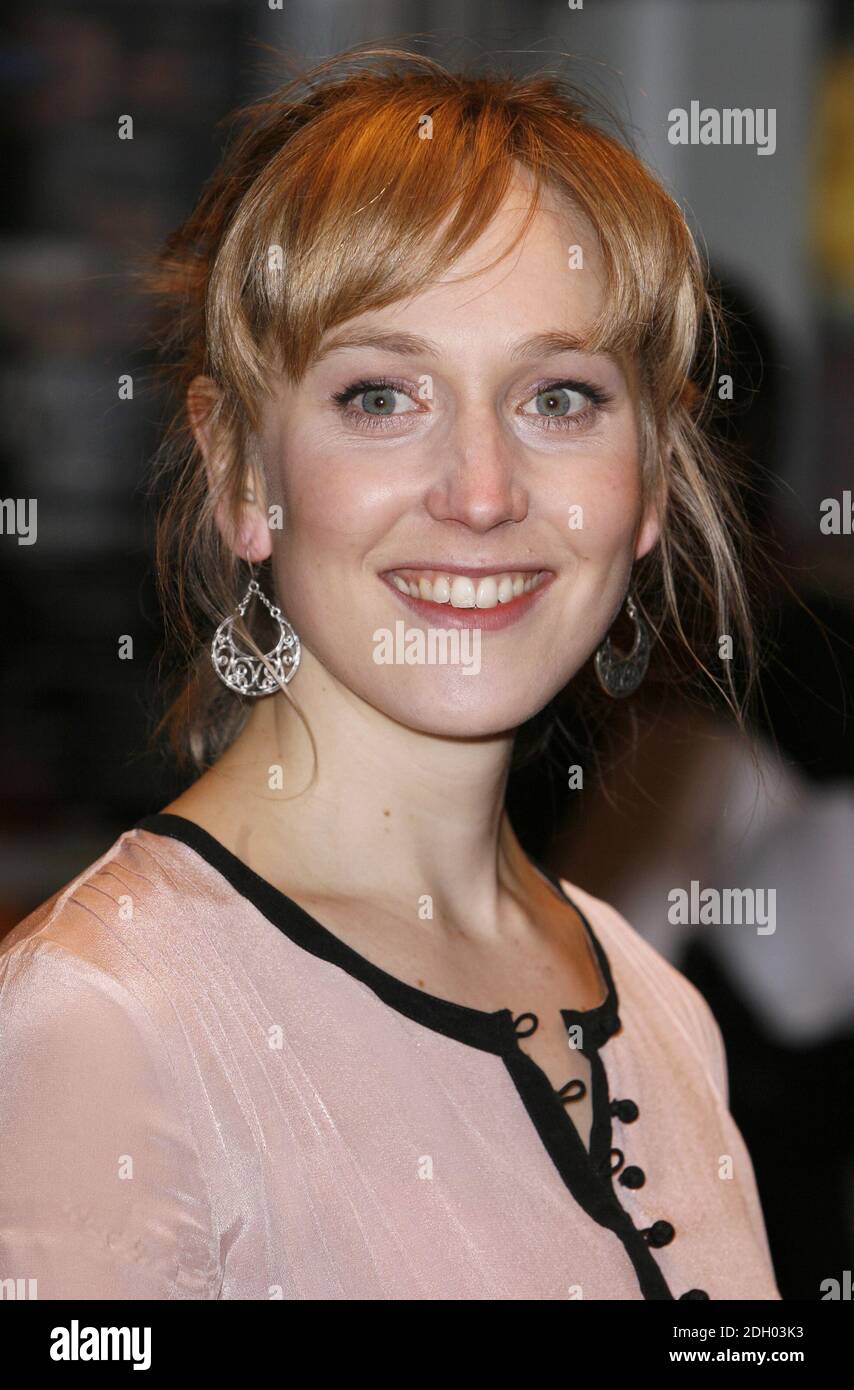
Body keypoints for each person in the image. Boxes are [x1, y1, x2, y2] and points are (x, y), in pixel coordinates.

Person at [0, 46, 781, 1300]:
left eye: (560, 398)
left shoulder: (659, 1008)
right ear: (241, 472)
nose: (479, 492)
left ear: (647, 480)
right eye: (379, 395)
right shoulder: (102, 1021)